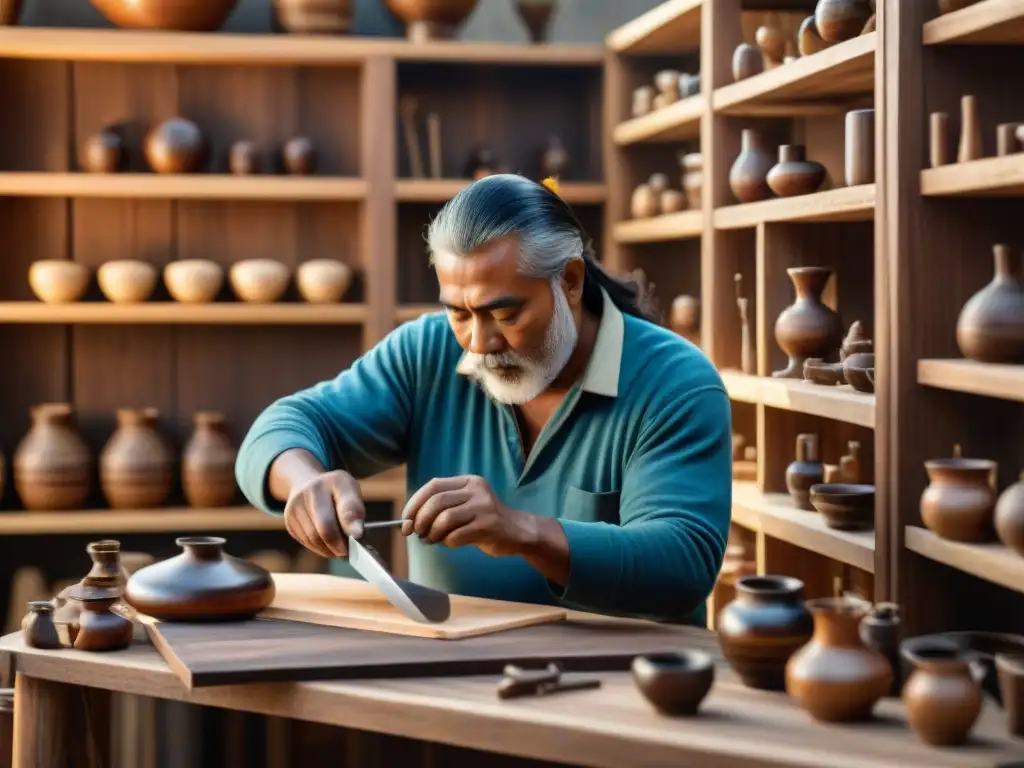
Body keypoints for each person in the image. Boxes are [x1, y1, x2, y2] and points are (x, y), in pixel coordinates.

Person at [235, 173, 732, 626]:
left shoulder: (675, 382)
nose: (478, 342)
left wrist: (520, 531)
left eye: (505, 314)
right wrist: (305, 481)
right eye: (458, 312)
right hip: (457, 681)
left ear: (571, 281)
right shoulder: (427, 351)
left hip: (627, 689)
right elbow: (285, 425)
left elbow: (683, 563)